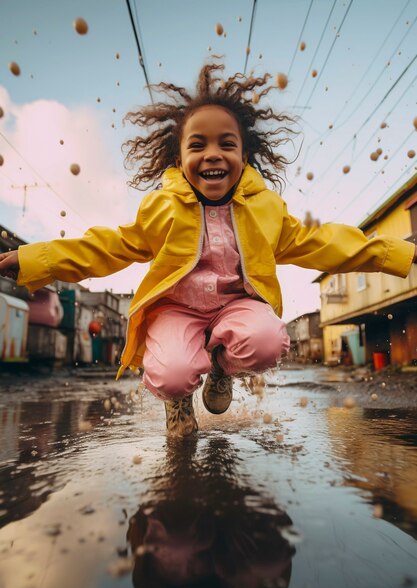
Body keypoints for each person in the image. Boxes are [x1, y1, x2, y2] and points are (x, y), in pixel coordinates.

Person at [1, 62, 416, 437]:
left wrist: (398, 252)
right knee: (172, 373)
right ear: (179, 158)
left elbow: (323, 241)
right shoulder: (162, 208)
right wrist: (34, 257)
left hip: (236, 307)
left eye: (226, 144)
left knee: (268, 340)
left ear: (244, 154)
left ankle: (221, 370)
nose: (212, 154)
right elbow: (108, 246)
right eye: (197, 145)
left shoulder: (265, 209)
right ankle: (179, 402)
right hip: (176, 311)